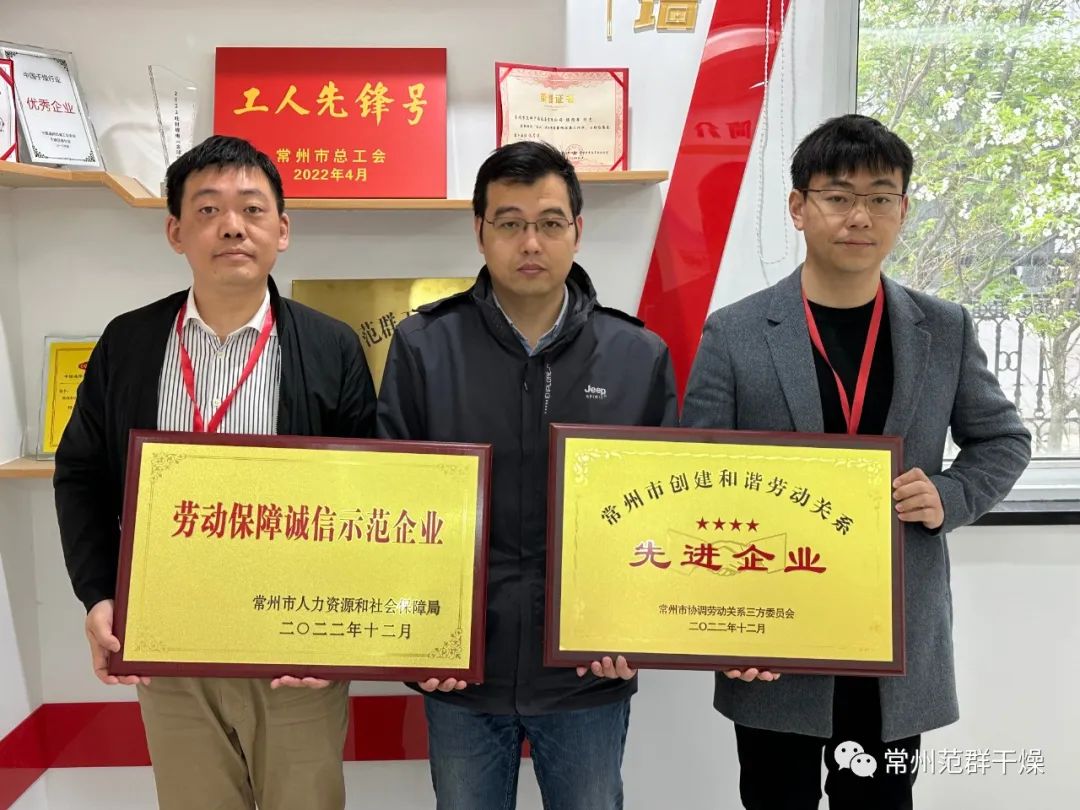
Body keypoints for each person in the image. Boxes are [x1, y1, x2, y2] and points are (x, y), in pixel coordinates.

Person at [681, 114, 1031, 810]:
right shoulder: (736, 332)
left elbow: (1003, 440)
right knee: (775, 800)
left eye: (880, 197)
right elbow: (696, 481)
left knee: (880, 802)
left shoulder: (944, 328)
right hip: (774, 629)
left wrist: (950, 494)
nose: (859, 216)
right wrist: (724, 625)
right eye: (838, 196)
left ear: (903, 210)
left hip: (891, 634)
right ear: (798, 207)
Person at [53, 135, 376, 810]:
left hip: (294, 651)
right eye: (207, 209)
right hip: (169, 644)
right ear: (175, 231)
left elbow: (364, 495)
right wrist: (98, 595)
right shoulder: (128, 342)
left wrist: (338, 637)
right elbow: (81, 472)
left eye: (252, 209)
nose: (232, 226)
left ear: (281, 230)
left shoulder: (331, 346)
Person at [377, 140, 678, 809]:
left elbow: (660, 518)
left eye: (549, 222)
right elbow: (393, 507)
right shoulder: (424, 346)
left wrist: (633, 628)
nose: (531, 242)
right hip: (462, 671)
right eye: (510, 223)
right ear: (480, 230)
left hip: (586, 673)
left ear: (578, 229)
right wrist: (420, 640)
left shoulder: (636, 355)